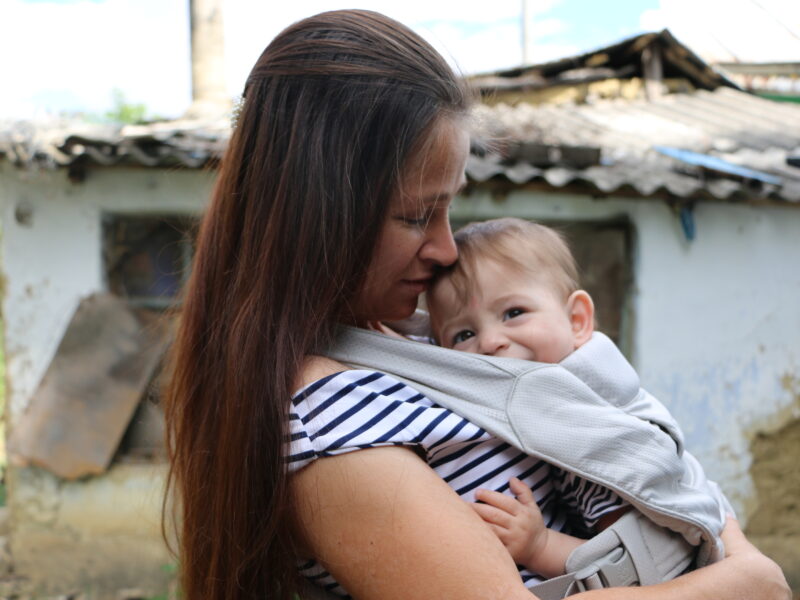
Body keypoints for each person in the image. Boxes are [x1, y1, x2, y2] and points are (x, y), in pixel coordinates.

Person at [163, 9, 791, 600]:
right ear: (321, 215)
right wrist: (747, 579)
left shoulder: (406, 345)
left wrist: (710, 529)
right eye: (415, 216)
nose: (444, 248)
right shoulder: (329, 422)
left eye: (448, 207)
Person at [424, 217, 726, 577]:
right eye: (463, 334)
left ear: (578, 320)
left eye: (514, 313)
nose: (490, 342)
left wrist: (539, 545)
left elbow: (641, 560)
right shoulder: (585, 392)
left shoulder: (585, 428)